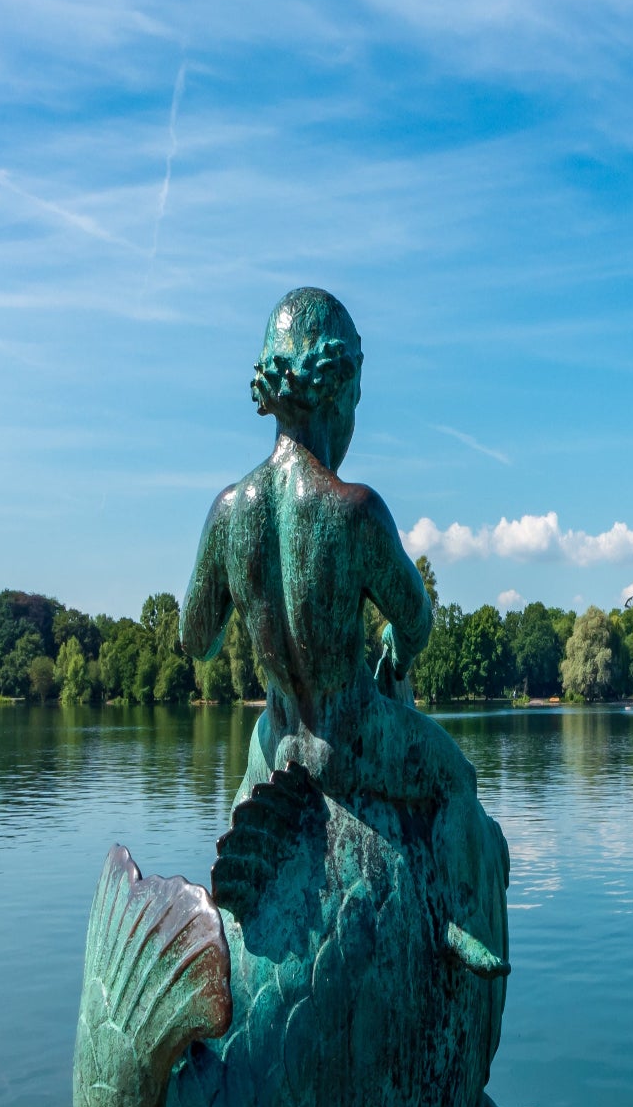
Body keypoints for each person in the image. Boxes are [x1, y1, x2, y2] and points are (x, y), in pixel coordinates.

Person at [181, 287, 475, 811]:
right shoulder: (354, 509)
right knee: (460, 781)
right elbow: (416, 622)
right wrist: (397, 653)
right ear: (340, 393)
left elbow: (197, 638)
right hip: (354, 746)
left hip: (274, 747)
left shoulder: (228, 511)